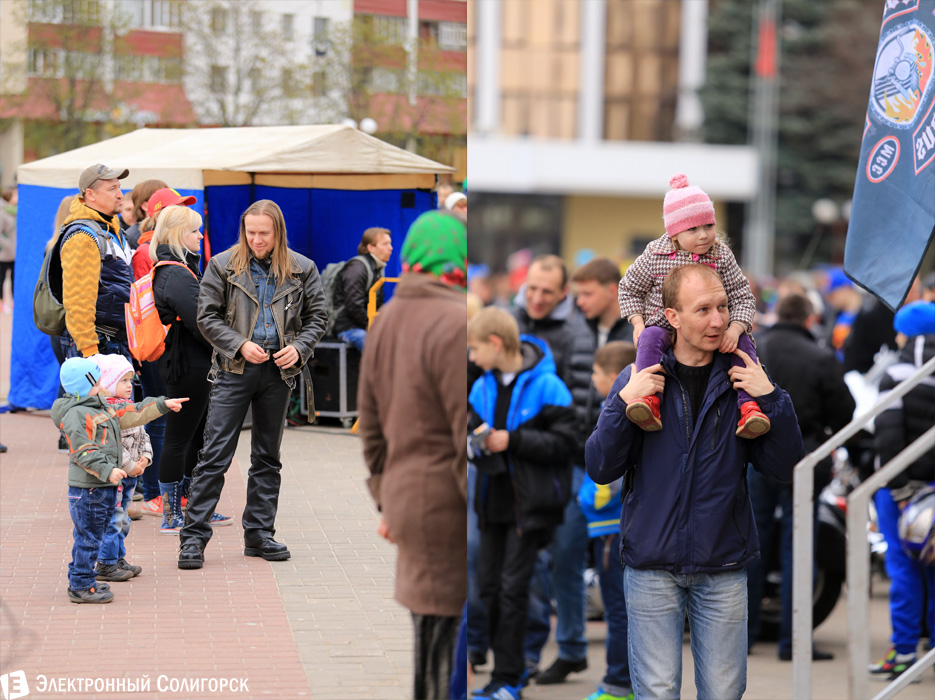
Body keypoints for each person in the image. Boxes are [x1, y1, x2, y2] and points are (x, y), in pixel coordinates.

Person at [587, 264, 804, 700]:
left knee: (724, 692)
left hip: (723, 563)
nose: (718, 320)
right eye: (703, 309)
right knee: (657, 690)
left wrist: (773, 399)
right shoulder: (638, 379)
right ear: (672, 317)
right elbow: (600, 466)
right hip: (651, 565)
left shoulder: (744, 378)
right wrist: (622, 405)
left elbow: (785, 468)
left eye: (723, 306)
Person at [178, 199, 327, 569]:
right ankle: (193, 539)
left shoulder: (302, 268)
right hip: (233, 369)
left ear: (278, 232)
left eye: (264, 233)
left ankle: (259, 535)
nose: (256, 240)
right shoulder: (222, 265)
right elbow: (206, 317)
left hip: (280, 372)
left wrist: (300, 348)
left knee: (267, 457)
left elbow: (319, 316)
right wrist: (239, 344)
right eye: (250, 232)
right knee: (215, 456)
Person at [357, 210, 468, 700]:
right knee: (446, 657)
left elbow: (370, 423)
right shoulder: (454, 320)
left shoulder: (389, 317)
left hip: (409, 497)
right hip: (449, 503)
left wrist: (387, 496)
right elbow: (463, 430)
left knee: (430, 643)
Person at [468, 306, 578, 700]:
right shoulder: (481, 386)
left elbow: (567, 445)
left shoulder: (549, 386)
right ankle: (502, 676)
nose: (472, 356)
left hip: (529, 507)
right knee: (488, 589)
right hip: (490, 503)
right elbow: (470, 432)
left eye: (475, 348)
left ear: (496, 344)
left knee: (514, 590)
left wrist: (512, 440)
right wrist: (474, 443)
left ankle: (510, 678)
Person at [618, 173, 768, 438]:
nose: (704, 235)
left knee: (744, 344)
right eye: (692, 229)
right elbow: (629, 288)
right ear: (674, 232)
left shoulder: (720, 254)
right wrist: (638, 322)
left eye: (708, 226)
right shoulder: (655, 254)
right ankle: (648, 400)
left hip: (713, 328)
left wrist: (734, 328)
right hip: (662, 325)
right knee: (649, 339)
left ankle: (750, 406)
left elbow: (742, 294)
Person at [748, 292, 854, 661]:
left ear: (779, 314)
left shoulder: (754, 347)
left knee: (752, 541)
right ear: (809, 319)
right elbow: (845, 412)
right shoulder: (821, 357)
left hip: (753, 452)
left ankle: (744, 637)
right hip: (805, 458)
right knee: (799, 547)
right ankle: (794, 642)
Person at [512, 254, 591, 683]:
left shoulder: (575, 333)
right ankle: (527, 652)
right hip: (520, 460)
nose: (538, 298)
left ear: (564, 293)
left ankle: (572, 646)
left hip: (564, 464)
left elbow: (578, 408)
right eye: (532, 289)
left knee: (564, 557)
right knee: (533, 561)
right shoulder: (511, 320)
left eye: (547, 291)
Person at [52, 357, 184, 604]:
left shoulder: (98, 405)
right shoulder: (77, 414)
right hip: (89, 489)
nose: (103, 384)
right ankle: (81, 585)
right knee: (89, 539)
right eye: (98, 380)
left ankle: (82, 579)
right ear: (87, 382)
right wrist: (108, 471)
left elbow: (130, 413)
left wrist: (162, 404)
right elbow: (84, 451)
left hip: (101, 488)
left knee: (93, 537)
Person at [150, 205, 230, 534]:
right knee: (181, 438)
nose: (201, 235)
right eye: (195, 230)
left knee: (194, 437)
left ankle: (193, 508)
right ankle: (172, 514)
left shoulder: (176, 269)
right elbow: (203, 322)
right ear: (178, 233)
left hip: (189, 362)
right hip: (187, 364)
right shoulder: (176, 273)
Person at [870, 300, 935, 680]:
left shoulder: (895, 371)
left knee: (904, 569)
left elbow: (888, 435)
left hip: (900, 491)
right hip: (932, 487)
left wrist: (896, 489)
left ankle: (905, 651)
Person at [577, 340, 636, 700]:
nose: (592, 379)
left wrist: (587, 499)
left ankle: (618, 684)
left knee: (618, 611)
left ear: (614, 377)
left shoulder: (616, 413)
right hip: (613, 527)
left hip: (611, 527)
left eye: (596, 373)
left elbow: (606, 480)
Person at [133, 187, 196, 520]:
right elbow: (167, 306)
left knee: (171, 423)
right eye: (177, 211)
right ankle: (162, 497)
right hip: (164, 350)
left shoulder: (170, 257)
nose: (198, 234)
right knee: (162, 422)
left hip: (169, 350)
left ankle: (174, 498)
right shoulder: (156, 257)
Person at [59, 163, 133, 361]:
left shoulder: (112, 229)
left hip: (115, 340)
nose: (120, 194)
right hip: (95, 343)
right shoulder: (83, 236)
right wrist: (90, 352)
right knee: (94, 394)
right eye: (112, 189)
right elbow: (78, 300)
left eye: (119, 187)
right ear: (90, 195)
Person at [93, 354, 152, 582]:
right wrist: (131, 466)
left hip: (132, 475)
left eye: (130, 380)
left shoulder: (128, 406)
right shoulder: (107, 411)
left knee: (123, 519)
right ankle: (105, 563)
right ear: (108, 383)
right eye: (124, 381)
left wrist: (146, 458)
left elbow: (143, 434)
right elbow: (113, 445)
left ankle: (118, 557)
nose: (130, 385)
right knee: (113, 518)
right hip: (118, 476)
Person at [332, 227, 393, 352]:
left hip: (364, 325)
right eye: (385, 244)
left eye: (390, 243)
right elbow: (354, 307)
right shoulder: (357, 268)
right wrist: (374, 327)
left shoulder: (378, 269)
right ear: (370, 247)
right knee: (379, 349)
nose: (390, 248)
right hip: (348, 327)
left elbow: (378, 304)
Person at [124, 179, 168, 251]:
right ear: (145, 206)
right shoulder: (133, 237)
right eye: (162, 199)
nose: (170, 203)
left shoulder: (167, 228)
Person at [0, 186, 17, 314]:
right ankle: (1, 303)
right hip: (4, 253)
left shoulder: (17, 211)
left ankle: (13, 303)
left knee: (14, 279)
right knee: (1, 279)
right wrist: (9, 246)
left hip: (15, 253)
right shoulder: (2, 212)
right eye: (15, 194)